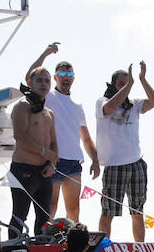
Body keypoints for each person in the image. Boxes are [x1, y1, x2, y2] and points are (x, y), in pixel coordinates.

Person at [27, 43, 101, 223]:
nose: (66, 78)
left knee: (74, 208)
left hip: (74, 161)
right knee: (50, 205)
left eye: (69, 74)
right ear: (55, 77)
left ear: (73, 78)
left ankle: (74, 241)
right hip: (54, 159)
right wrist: (45, 53)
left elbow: (86, 136)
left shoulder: (77, 104)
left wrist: (95, 160)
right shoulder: (49, 96)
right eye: (62, 74)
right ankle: (45, 239)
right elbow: (30, 77)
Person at [95, 62, 154, 242]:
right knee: (108, 211)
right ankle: (104, 248)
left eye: (127, 83)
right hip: (114, 164)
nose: (125, 86)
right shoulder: (102, 102)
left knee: (137, 211)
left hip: (136, 162)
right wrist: (129, 85)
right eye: (121, 83)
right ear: (112, 84)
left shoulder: (134, 104)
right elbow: (108, 109)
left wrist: (142, 80)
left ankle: (139, 247)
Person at [8, 65, 58, 240]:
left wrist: (52, 163)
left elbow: (54, 143)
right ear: (30, 83)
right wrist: (44, 152)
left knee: (44, 217)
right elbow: (19, 135)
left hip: (43, 171)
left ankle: (42, 250)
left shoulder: (49, 113)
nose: (44, 84)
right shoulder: (22, 106)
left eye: (47, 80)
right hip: (23, 169)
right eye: (39, 80)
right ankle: (13, 251)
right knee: (20, 215)